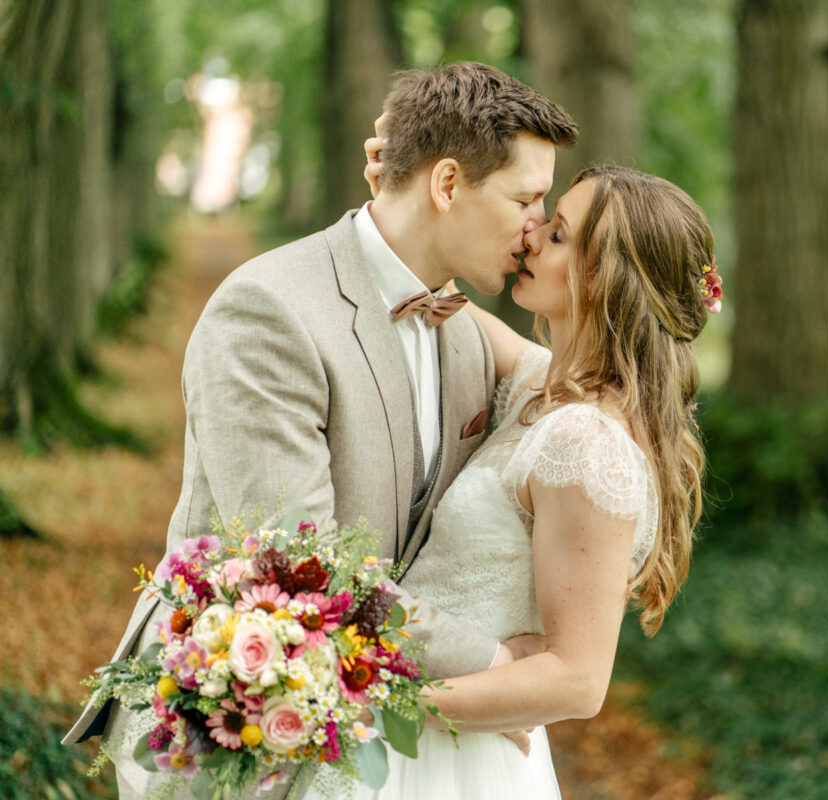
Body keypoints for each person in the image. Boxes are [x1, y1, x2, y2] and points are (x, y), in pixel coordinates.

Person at [62, 62, 579, 800]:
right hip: (234, 727)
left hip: (383, 738)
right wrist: (497, 666)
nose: (535, 225)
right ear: (447, 184)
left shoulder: (466, 336)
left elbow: (596, 401)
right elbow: (300, 568)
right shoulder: (269, 310)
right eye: (525, 198)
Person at [345, 137, 719, 796]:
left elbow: (578, 681)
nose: (530, 237)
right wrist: (404, 193)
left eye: (558, 234)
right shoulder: (544, 385)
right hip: (413, 722)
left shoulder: (586, 441)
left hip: (441, 748)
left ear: (602, 276)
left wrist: (384, 699)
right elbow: (435, 290)